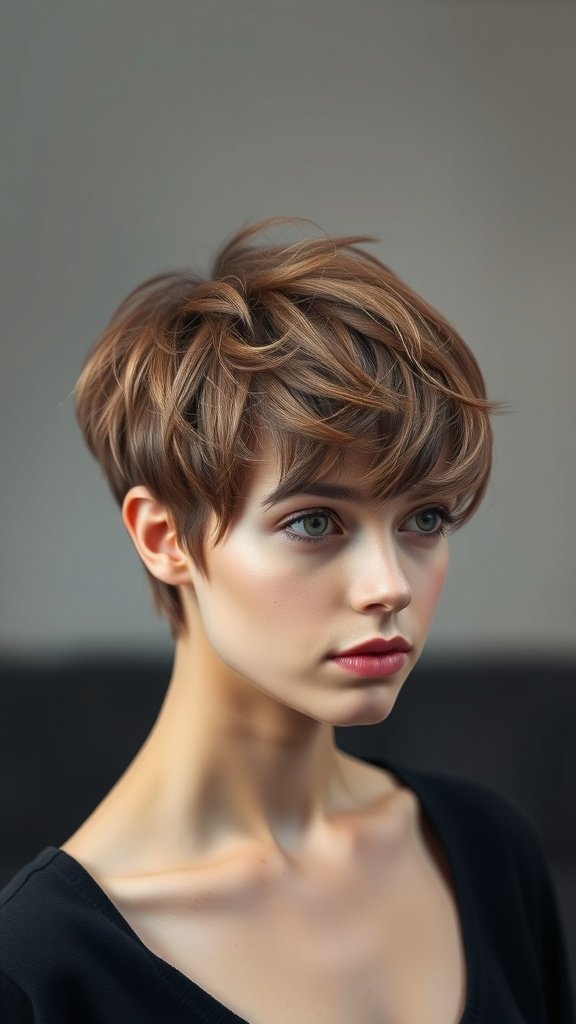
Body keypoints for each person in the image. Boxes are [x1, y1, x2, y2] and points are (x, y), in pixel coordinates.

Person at [0, 217, 573, 1023]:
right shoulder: (37, 970)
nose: (388, 586)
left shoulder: (487, 854)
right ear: (164, 537)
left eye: (426, 519)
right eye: (315, 522)